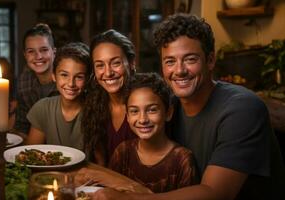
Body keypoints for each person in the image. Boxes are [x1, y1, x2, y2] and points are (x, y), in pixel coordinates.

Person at [92, 13, 285, 200]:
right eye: (170, 61)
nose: (179, 71)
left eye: (190, 59)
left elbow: (216, 193)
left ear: (210, 60)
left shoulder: (243, 108)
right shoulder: (168, 106)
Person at [109, 72, 197, 192]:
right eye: (134, 111)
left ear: (168, 113)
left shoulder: (182, 160)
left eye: (152, 110)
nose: (142, 120)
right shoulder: (123, 152)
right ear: (127, 116)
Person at [82, 29, 137, 165]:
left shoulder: (146, 102)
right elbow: (101, 164)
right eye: (100, 65)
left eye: (115, 63)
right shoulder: (94, 105)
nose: (108, 72)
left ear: (131, 63)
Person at [25, 42, 91, 150]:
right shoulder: (43, 108)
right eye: (64, 75)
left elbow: (101, 164)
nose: (71, 84)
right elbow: (30, 155)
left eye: (79, 77)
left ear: (87, 79)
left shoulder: (96, 110)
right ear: (54, 76)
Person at [13, 23, 58, 135]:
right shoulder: (24, 82)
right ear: (25, 55)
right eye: (31, 51)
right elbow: (22, 125)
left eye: (43, 50)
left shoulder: (67, 81)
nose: (38, 56)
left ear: (54, 52)